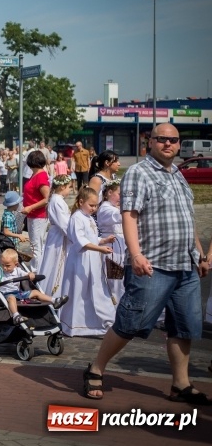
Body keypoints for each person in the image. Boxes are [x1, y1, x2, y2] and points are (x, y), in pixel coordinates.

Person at [84, 124, 211, 403]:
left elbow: (187, 220)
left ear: (179, 144)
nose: (168, 144)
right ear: (150, 143)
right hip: (153, 265)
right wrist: (136, 254)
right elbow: (129, 216)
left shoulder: (178, 175)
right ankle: (95, 368)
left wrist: (199, 255)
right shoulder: (139, 173)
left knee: (183, 326)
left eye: (173, 140)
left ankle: (180, 384)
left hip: (185, 265)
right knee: (131, 322)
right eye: (162, 139)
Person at [59, 187, 116, 337]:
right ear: (80, 202)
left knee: (94, 289)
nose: (94, 208)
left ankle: (96, 321)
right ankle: (76, 324)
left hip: (92, 258)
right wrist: (100, 249)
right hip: (80, 260)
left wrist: (104, 240)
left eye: (96, 205)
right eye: (91, 205)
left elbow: (91, 237)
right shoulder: (77, 217)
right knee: (80, 289)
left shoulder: (89, 218)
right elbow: (80, 241)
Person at [0, 249, 69, 330]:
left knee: (35, 292)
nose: (5, 268)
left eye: (8, 265)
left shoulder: (18, 270)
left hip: (19, 293)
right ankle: (16, 316)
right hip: (7, 294)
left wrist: (30, 274)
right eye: (3, 265)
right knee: (11, 298)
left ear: (16, 264)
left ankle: (54, 300)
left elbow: (26, 274)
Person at [39, 175, 72, 297]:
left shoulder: (57, 199)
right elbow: (64, 223)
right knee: (57, 264)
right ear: (62, 187)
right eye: (69, 187)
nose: (70, 190)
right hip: (59, 236)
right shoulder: (57, 200)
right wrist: (74, 236)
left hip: (58, 234)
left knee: (57, 262)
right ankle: (53, 293)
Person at [21, 150, 50, 272]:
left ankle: (36, 270)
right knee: (36, 244)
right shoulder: (36, 174)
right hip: (33, 215)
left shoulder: (40, 176)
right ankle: (38, 268)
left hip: (38, 215)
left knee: (35, 245)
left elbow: (46, 199)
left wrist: (30, 207)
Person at [96, 180, 125, 303]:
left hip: (120, 246)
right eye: (119, 194)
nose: (121, 198)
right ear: (109, 192)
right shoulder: (105, 208)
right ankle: (113, 308)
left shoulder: (114, 207)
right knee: (114, 280)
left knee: (121, 281)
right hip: (111, 247)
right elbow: (119, 216)